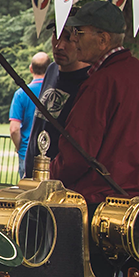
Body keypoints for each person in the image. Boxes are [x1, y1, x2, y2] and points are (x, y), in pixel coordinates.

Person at [51, 0, 139, 203]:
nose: (74, 40)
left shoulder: (102, 82)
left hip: (97, 198)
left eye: (79, 33)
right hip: (132, 196)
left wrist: (50, 173)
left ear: (103, 39)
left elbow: (78, 152)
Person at [25, 31, 90, 179]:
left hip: (61, 182)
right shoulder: (52, 69)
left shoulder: (90, 80)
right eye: (57, 36)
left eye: (68, 39)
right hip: (33, 174)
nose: (59, 46)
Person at [9, 52, 47, 174]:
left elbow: (14, 129)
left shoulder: (21, 94)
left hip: (27, 152)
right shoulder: (54, 93)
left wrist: (19, 147)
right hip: (49, 154)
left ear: (31, 68)